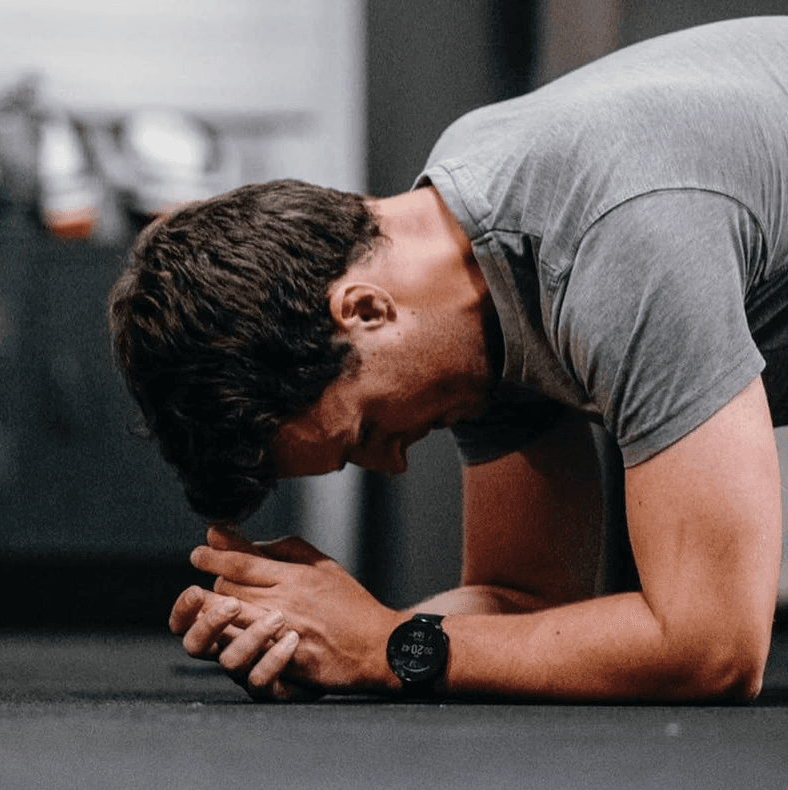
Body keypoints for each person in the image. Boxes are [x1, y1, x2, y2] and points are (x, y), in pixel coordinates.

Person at [108, 17, 788, 702]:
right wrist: (325, 633)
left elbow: (712, 649)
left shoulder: (613, 242)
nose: (394, 462)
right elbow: (522, 599)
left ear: (366, 311)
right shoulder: (466, 282)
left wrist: (379, 646)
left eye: (366, 432)